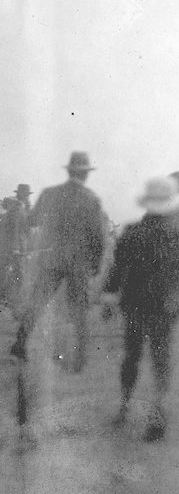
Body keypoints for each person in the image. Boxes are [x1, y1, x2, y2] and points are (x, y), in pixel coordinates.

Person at [102, 176, 179, 442]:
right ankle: (158, 412)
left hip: (134, 303)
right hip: (166, 306)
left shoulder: (132, 232)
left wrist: (109, 298)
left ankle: (124, 407)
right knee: (161, 358)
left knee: (131, 356)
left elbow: (117, 270)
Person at [10, 152, 105, 371]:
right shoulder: (91, 199)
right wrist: (96, 264)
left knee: (37, 303)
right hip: (79, 262)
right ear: (85, 174)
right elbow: (98, 238)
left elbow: (32, 221)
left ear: (69, 171)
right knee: (78, 309)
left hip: (52, 258)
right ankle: (79, 359)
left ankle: (19, 345)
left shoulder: (50, 194)